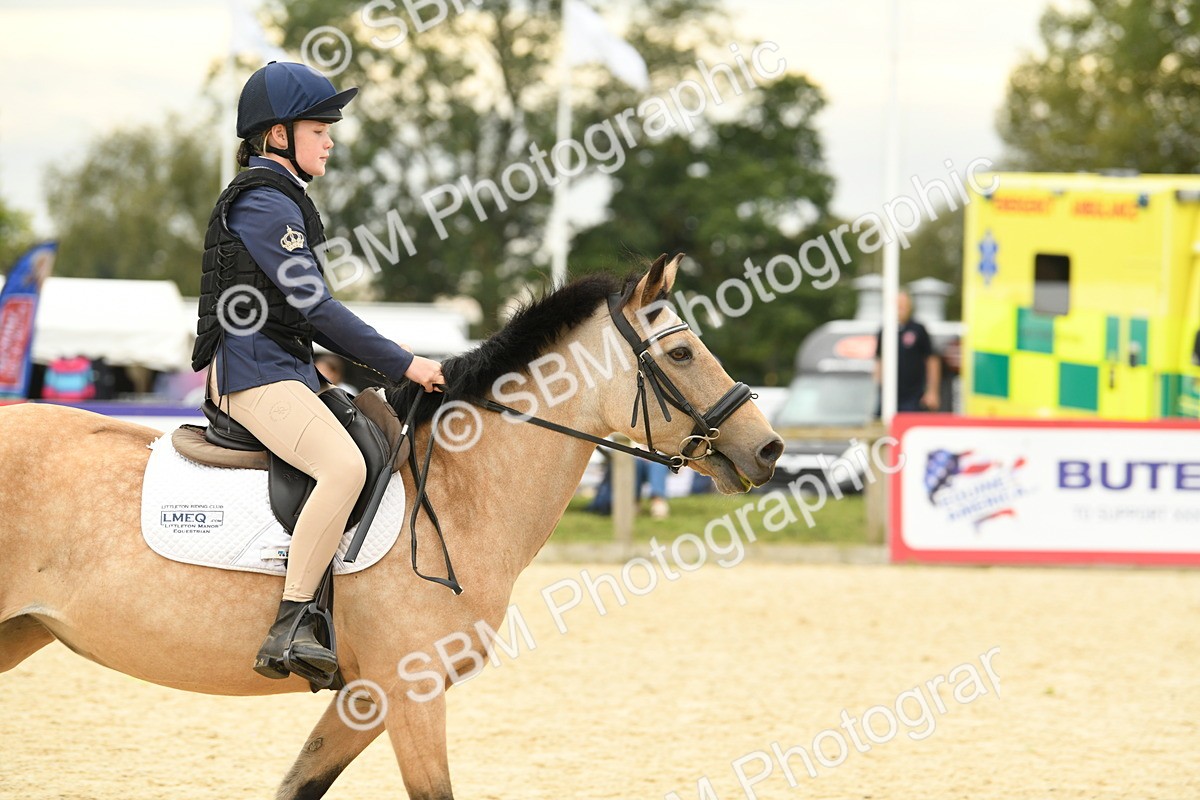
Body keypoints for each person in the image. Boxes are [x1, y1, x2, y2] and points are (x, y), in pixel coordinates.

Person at [191, 61, 444, 681]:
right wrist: (405, 363)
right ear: (278, 136)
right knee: (343, 465)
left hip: (284, 368)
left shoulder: (284, 200)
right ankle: (293, 621)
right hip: (253, 375)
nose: (331, 139)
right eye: (319, 128)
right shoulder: (264, 202)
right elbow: (316, 307)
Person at [874, 290, 940, 412]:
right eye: (898, 306)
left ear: (909, 307)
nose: (900, 309)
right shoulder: (884, 331)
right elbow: (879, 362)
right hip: (889, 397)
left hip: (914, 397)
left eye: (903, 306)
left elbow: (932, 361)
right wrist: (880, 388)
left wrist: (932, 392)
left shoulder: (918, 329)